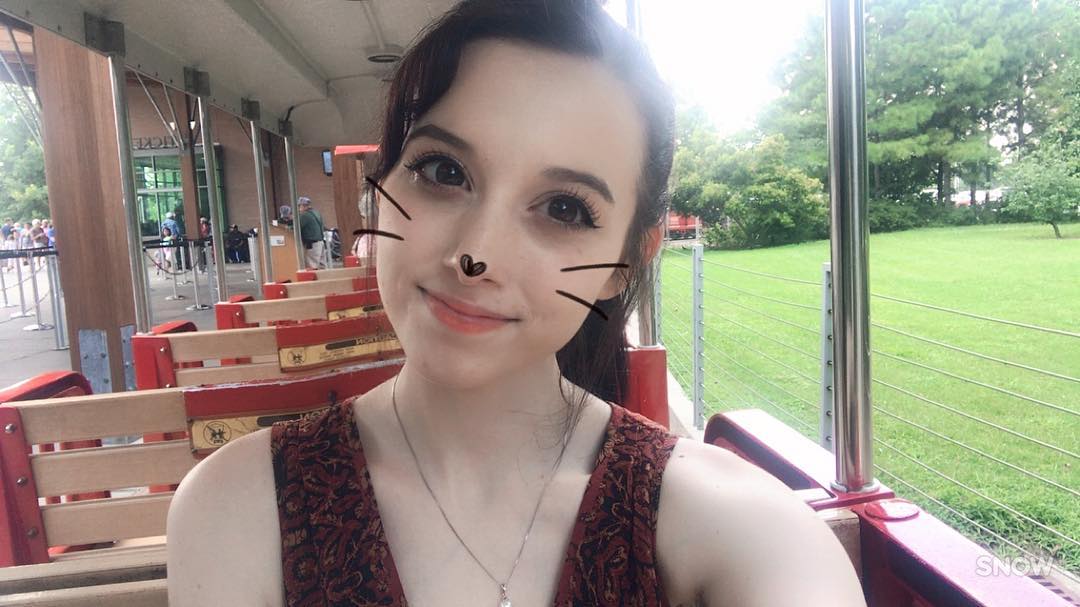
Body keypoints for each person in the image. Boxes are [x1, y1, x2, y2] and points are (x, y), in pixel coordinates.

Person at [167, 2, 865, 606]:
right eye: (443, 171)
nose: (477, 254)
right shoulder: (241, 510)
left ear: (626, 262)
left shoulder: (739, 529)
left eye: (563, 208)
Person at [297, 196, 326, 269]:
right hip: (320, 242)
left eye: (299, 206)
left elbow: (297, 227)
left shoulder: (304, 215)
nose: (299, 208)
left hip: (312, 244)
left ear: (303, 206)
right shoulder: (316, 213)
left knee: (312, 266)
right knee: (321, 266)